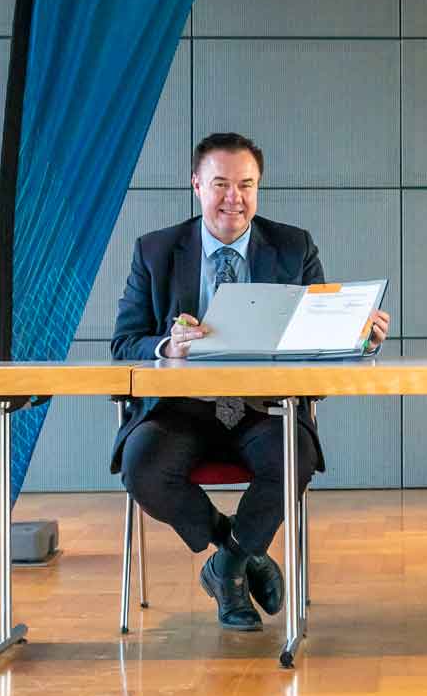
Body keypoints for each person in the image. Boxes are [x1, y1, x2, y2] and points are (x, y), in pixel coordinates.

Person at [110, 132, 390, 631]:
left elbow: (321, 338)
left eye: (246, 185)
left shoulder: (293, 247)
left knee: (295, 457)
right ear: (196, 185)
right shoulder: (156, 250)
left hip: (263, 408)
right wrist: (168, 347)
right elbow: (125, 342)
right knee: (142, 465)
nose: (233, 198)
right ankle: (242, 554)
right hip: (182, 409)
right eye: (220, 184)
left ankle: (226, 569)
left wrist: (360, 339)